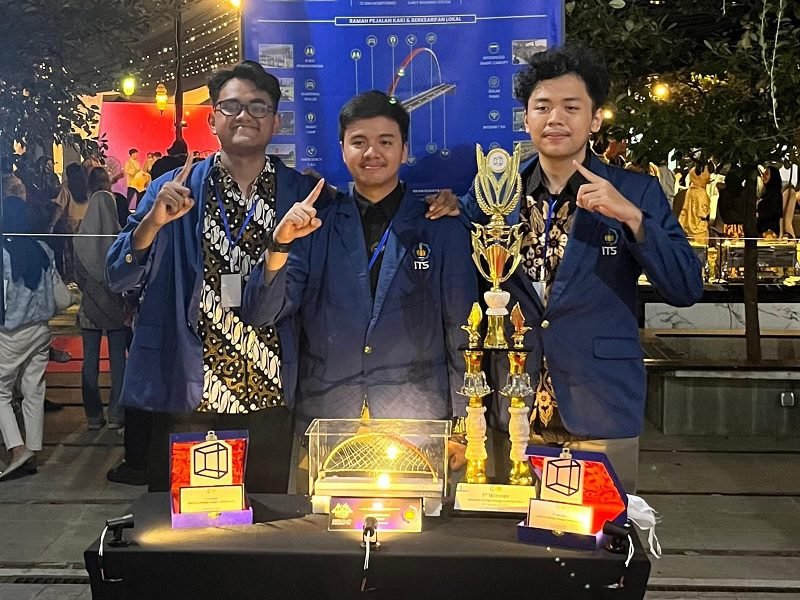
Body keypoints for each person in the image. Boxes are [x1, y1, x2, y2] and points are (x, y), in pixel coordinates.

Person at [459, 46, 703, 491]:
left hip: (600, 405)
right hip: (513, 404)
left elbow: (685, 287)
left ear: (594, 119)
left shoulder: (635, 192)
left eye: (571, 107)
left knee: (600, 532)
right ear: (526, 119)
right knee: (509, 533)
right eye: (542, 107)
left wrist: (633, 219)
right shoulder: (495, 193)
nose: (555, 118)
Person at [241, 91, 477, 483]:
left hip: (417, 422)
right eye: (359, 142)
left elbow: (461, 331)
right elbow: (262, 312)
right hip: (328, 419)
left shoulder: (440, 226)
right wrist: (279, 244)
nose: (372, 152)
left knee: (415, 523)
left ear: (404, 150)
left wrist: (462, 424)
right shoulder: (314, 226)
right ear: (342, 149)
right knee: (324, 523)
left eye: (385, 141)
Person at [105, 61, 318, 491]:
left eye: (258, 106)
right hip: (188, 392)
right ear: (212, 119)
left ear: (275, 121)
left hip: (268, 392)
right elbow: (117, 275)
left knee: (265, 519)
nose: (244, 116)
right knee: (182, 525)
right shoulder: (173, 189)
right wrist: (153, 222)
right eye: (231, 106)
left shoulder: (301, 195)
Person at [0, 197, 70, 480]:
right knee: (34, 390)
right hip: (41, 330)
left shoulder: (3, 253)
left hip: (10, 333)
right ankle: (33, 448)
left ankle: (17, 449)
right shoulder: (43, 249)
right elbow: (59, 295)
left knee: (1, 392)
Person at [74, 168, 128, 430]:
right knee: (119, 362)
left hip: (89, 308)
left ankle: (93, 416)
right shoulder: (121, 239)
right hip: (116, 306)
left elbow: (78, 277)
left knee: (89, 362)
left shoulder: (79, 239)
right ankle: (117, 414)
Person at [757, 166, 783, 236]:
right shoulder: (765, 193)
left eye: (767, 174)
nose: (764, 176)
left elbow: (776, 213)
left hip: (769, 231)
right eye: (763, 174)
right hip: (763, 230)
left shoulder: (775, 194)